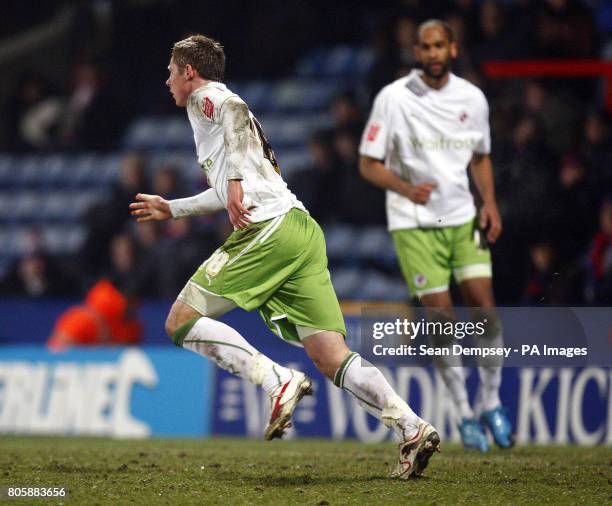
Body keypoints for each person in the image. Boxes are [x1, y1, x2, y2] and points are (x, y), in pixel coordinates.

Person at [129, 34, 439, 478]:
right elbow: (227, 187)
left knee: (179, 321)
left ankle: (277, 380)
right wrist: (173, 207)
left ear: (190, 72)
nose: (167, 80)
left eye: (171, 71)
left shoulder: (205, 98)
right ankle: (411, 428)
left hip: (268, 229)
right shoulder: (214, 127)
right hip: (301, 230)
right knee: (332, 355)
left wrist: (234, 179)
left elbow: (234, 112)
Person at [359, 20, 513, 452]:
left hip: (462, 217)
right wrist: (406, 189)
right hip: (413, 224)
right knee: (442, 317)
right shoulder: (393, 98)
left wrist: (491, 203)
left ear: (453, 48)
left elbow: (480, 156)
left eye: (439, 46)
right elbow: (368, 163)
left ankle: (491, 401)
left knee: (485, 305)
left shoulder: (472, 98)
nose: (432, 54)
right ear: (416, 50)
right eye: (425, 47)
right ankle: (463, 411)